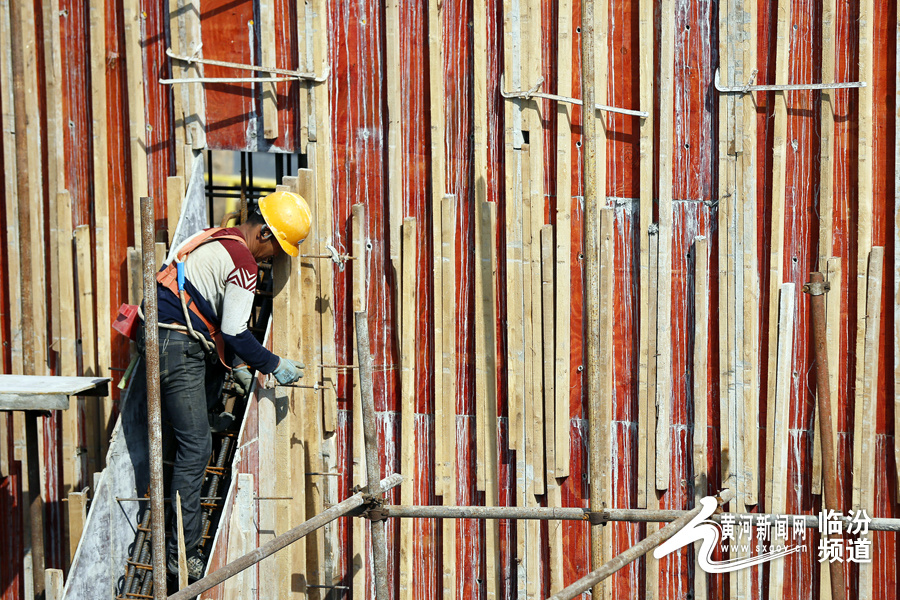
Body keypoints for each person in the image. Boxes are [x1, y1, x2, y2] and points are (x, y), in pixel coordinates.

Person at [141, 190, 311, 580]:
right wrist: (273, 364)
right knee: (196, 448)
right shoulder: (243, 262)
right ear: (264, 234)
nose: (271, 259)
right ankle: (181, 554)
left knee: (213, 371)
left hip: (165, 335)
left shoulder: (215, 236)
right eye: (276, 249)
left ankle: (206, 413)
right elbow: (235, 332)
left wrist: (236, 365)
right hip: (177, 344)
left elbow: (211, 314)